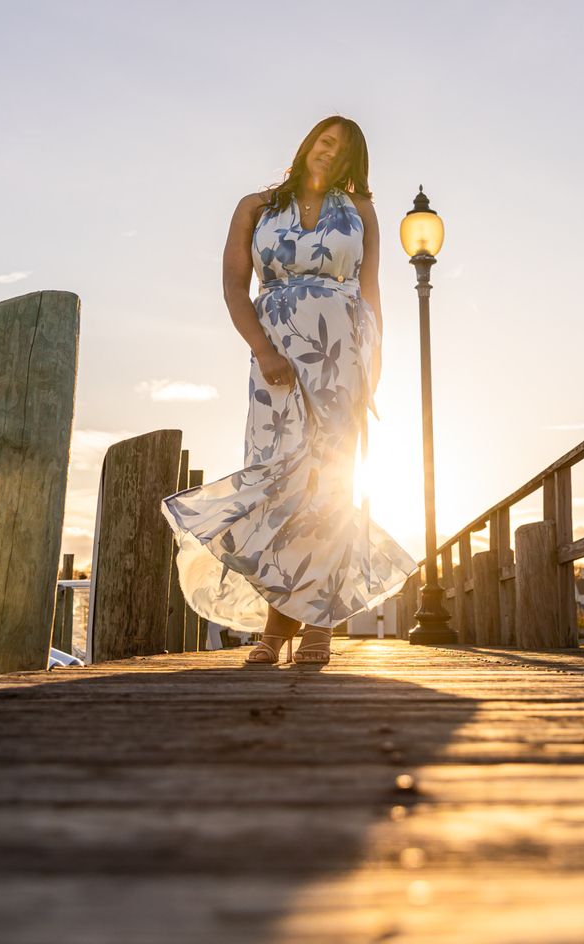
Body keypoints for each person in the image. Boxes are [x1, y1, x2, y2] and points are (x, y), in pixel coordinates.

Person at [162, 116, 418, 667]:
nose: (330, 153)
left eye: (343, 151)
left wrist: (371, 371)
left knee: (329, 490)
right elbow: (234, 287)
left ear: (353, 164)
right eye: (325, 142)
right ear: (307, 145)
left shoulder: (361, 211)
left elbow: (370, 293)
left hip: (341, 361)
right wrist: (263, 349)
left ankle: (318, 627)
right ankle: (277, 625)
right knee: (278, 487)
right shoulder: (255, 207)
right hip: (275, 357)